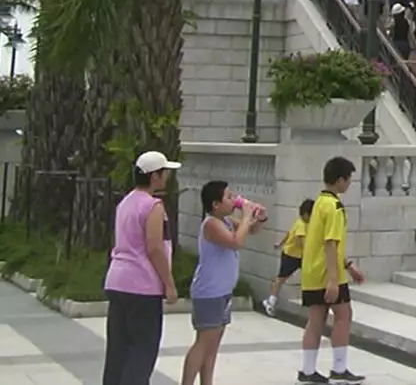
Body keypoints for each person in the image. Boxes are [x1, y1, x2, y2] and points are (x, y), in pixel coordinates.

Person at [102, 151, 181, 385]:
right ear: (154, 176)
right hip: (143, 286)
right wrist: (169, 284)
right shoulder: (153, 205)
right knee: (142, 351)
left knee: (118, 350)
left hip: (117, 281)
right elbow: (154, 247)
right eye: (164, 172)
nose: (166, 177)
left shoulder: (125, 202)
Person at [182, 181, 264, 385]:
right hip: (209, 292)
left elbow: (250, 231)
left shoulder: (226, 221)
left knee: (213, 345)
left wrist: (259, 218)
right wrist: (245, 216)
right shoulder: (211, 224)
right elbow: (236, 242)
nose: (233, 199)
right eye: (228, 197)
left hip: (223, 291)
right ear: (215, 204)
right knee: (203, 343)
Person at [299, 155, 367, 384]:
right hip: (327, 273)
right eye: (348, 179)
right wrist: (333, 280)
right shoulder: (335, 206)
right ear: (339, 180)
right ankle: (339, 368)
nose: (349, 184)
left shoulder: (319, 202)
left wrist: (348, 265)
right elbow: (330, 243)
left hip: (311, 270)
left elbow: (323, 241)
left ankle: (307, 371)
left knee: (315, 320)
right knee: (343, 315)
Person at [265, 198, 315, 317]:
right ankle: (270, 301)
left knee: (309, 276)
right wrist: (307, 251)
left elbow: (288, 234)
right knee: (281, 278)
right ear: (306, 214)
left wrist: (280, 244)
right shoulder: (302, 225)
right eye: (312, 215)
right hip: (292, 256)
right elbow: (299, 241)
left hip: (298, 256)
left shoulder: (299, 222)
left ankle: (310, 299)